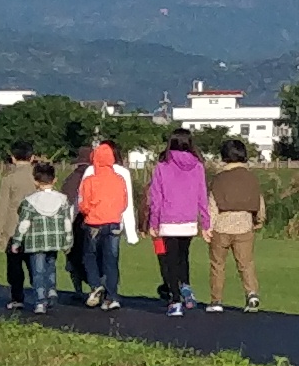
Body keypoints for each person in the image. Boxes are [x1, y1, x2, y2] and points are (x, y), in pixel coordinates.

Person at [142, 134, 213, 315]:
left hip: (168, 219)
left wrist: (154, 222)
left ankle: (175, 300)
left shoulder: (162, 166)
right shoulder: (197, 166)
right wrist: (205, 223)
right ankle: (186, 288)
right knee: (183, 256)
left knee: (171, 260)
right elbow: (202, 196)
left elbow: (156, 198)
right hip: (188, 219)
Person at [201, 142, 265, 312]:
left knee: (218, 265)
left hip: (221, 226)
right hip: (244, 225)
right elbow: (259, 202)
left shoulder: (219, 179)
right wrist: (259, 220)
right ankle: (251, 294)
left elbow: (212, 205)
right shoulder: (251, 178)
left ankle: (216, 301)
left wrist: (207, 226)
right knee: (246, 263)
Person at [71, 137, 133, 310]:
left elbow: (83, 203)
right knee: (111, 260)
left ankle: (95, 284)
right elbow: (124, 202)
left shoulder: (89, 179)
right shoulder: (119, 179)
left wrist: (89, 212)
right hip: (113, 222)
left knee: (89, 256)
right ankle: (112, 297)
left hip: (94, 223)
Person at [9, 159, 74, 313]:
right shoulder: (63, 200)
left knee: (38, 271)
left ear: (35, 181)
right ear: (55, 180)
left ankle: (40, 301)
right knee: (50, 266)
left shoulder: (29, 202)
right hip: (54, 240)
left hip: (35, 242)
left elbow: (24, 224)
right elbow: (67, 222)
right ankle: (51, 290)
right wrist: (68, 242)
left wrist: (16, 242)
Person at [0, 145, 38, 312]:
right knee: (36, 265)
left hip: (14, 230)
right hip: (35, 229)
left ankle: (17, 298)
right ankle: (41, 296)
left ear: (13, 158)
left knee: (15, 266)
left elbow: (2, 207)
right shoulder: (38, 176)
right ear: (32, 158)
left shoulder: (9, 179)